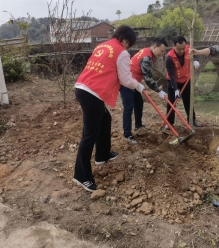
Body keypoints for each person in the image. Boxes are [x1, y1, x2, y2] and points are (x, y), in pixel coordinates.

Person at [72, 25, 145, 192]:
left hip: (84, 88)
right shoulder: (122, 52)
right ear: (126, 40)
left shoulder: (102, 45)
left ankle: (102, 155)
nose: (128, 47)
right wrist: (140, 87)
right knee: (89, 135)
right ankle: (81, 176)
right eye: (129, 44)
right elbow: (126, 79)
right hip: (91, 93)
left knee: (105, 119)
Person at [120, 38, 168, 145]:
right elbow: (148, 78)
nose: (162, 54)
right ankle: (127, 134)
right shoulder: (146, 57)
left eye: (164, 52)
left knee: (139, 103)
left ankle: (138, 126)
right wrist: (159, 91)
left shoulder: (147, 52)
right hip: (126, 82)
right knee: (128, 107)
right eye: (161, 51)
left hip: (134, 83)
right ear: (155, 47)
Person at [165, 36, 201, 128]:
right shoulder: (169, 57)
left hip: (186, 79)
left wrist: (195, 61)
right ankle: (169, 123)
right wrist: (176, 89)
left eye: (183, 48)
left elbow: (194, 55)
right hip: (173, 81)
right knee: (172, 102)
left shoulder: (189, 49)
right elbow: (171, 74)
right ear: (173, 46)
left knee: (188, 101)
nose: (181, 51)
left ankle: (192, 120)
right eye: (179, 49)